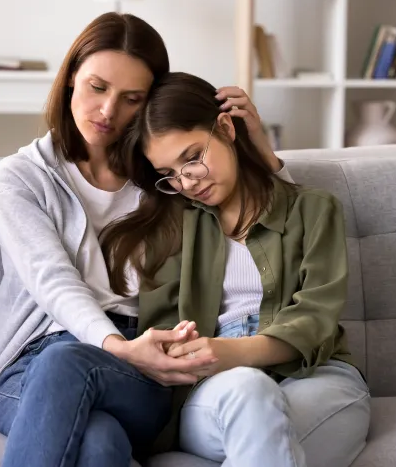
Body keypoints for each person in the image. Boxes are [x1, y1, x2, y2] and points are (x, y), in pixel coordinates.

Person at [0, 13, 291, 467]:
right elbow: (51, 279)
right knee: (98, 438)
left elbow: (273, 231)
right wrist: (116, 347)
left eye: (131, 99)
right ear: (70, 81)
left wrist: (260, 146)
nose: (108, 112)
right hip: (33, 364)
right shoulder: (20, 177)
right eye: (97, 87)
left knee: (71, 369)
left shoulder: (169, 179)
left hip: (141, 360)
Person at [101, 72, 371, 467]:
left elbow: (316, 315)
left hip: (316, 376)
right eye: (169, 175)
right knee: (249, 390)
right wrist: (192, 352)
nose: (187, 181)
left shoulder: (313, 209)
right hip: (216, 387)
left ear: (225, 127)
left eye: (192, 158)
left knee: (264, 430)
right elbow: (159, 329)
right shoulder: (169, 228)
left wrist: (235, 351)